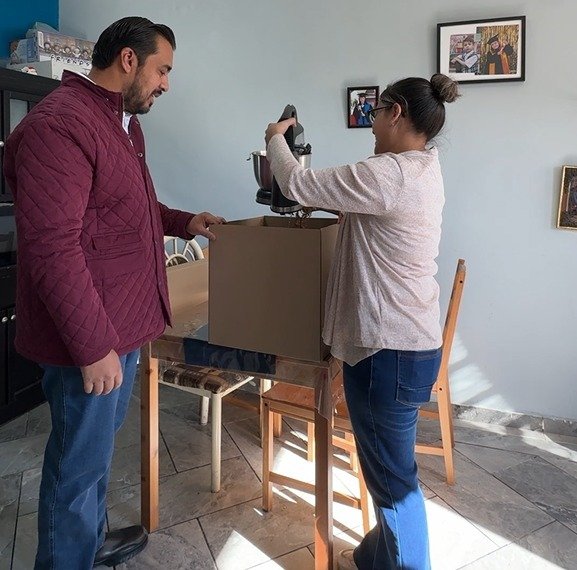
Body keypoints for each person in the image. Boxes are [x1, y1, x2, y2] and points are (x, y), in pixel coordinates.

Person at [3, 16, 225, 570]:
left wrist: (185, 221)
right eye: (162, 69)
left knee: (96, 456)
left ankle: (90, 541)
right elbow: (52, 248)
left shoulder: (122, 124)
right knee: (76, 467)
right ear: (129, 59)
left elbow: (130, 209)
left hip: (120, 328)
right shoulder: (59, 127)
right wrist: (93, 346)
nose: (166, 83)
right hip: (90, 337)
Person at [264, 73, 459, 570]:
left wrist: (274, 138)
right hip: (410, 346)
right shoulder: (422, 168)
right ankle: (375, 556)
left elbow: (297, 183)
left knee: (395, 486)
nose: (371, 124)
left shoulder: (389, 174)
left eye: (376, 113)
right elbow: (362, 211)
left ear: (396, 113)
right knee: (391, 471)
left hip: (385, 352)